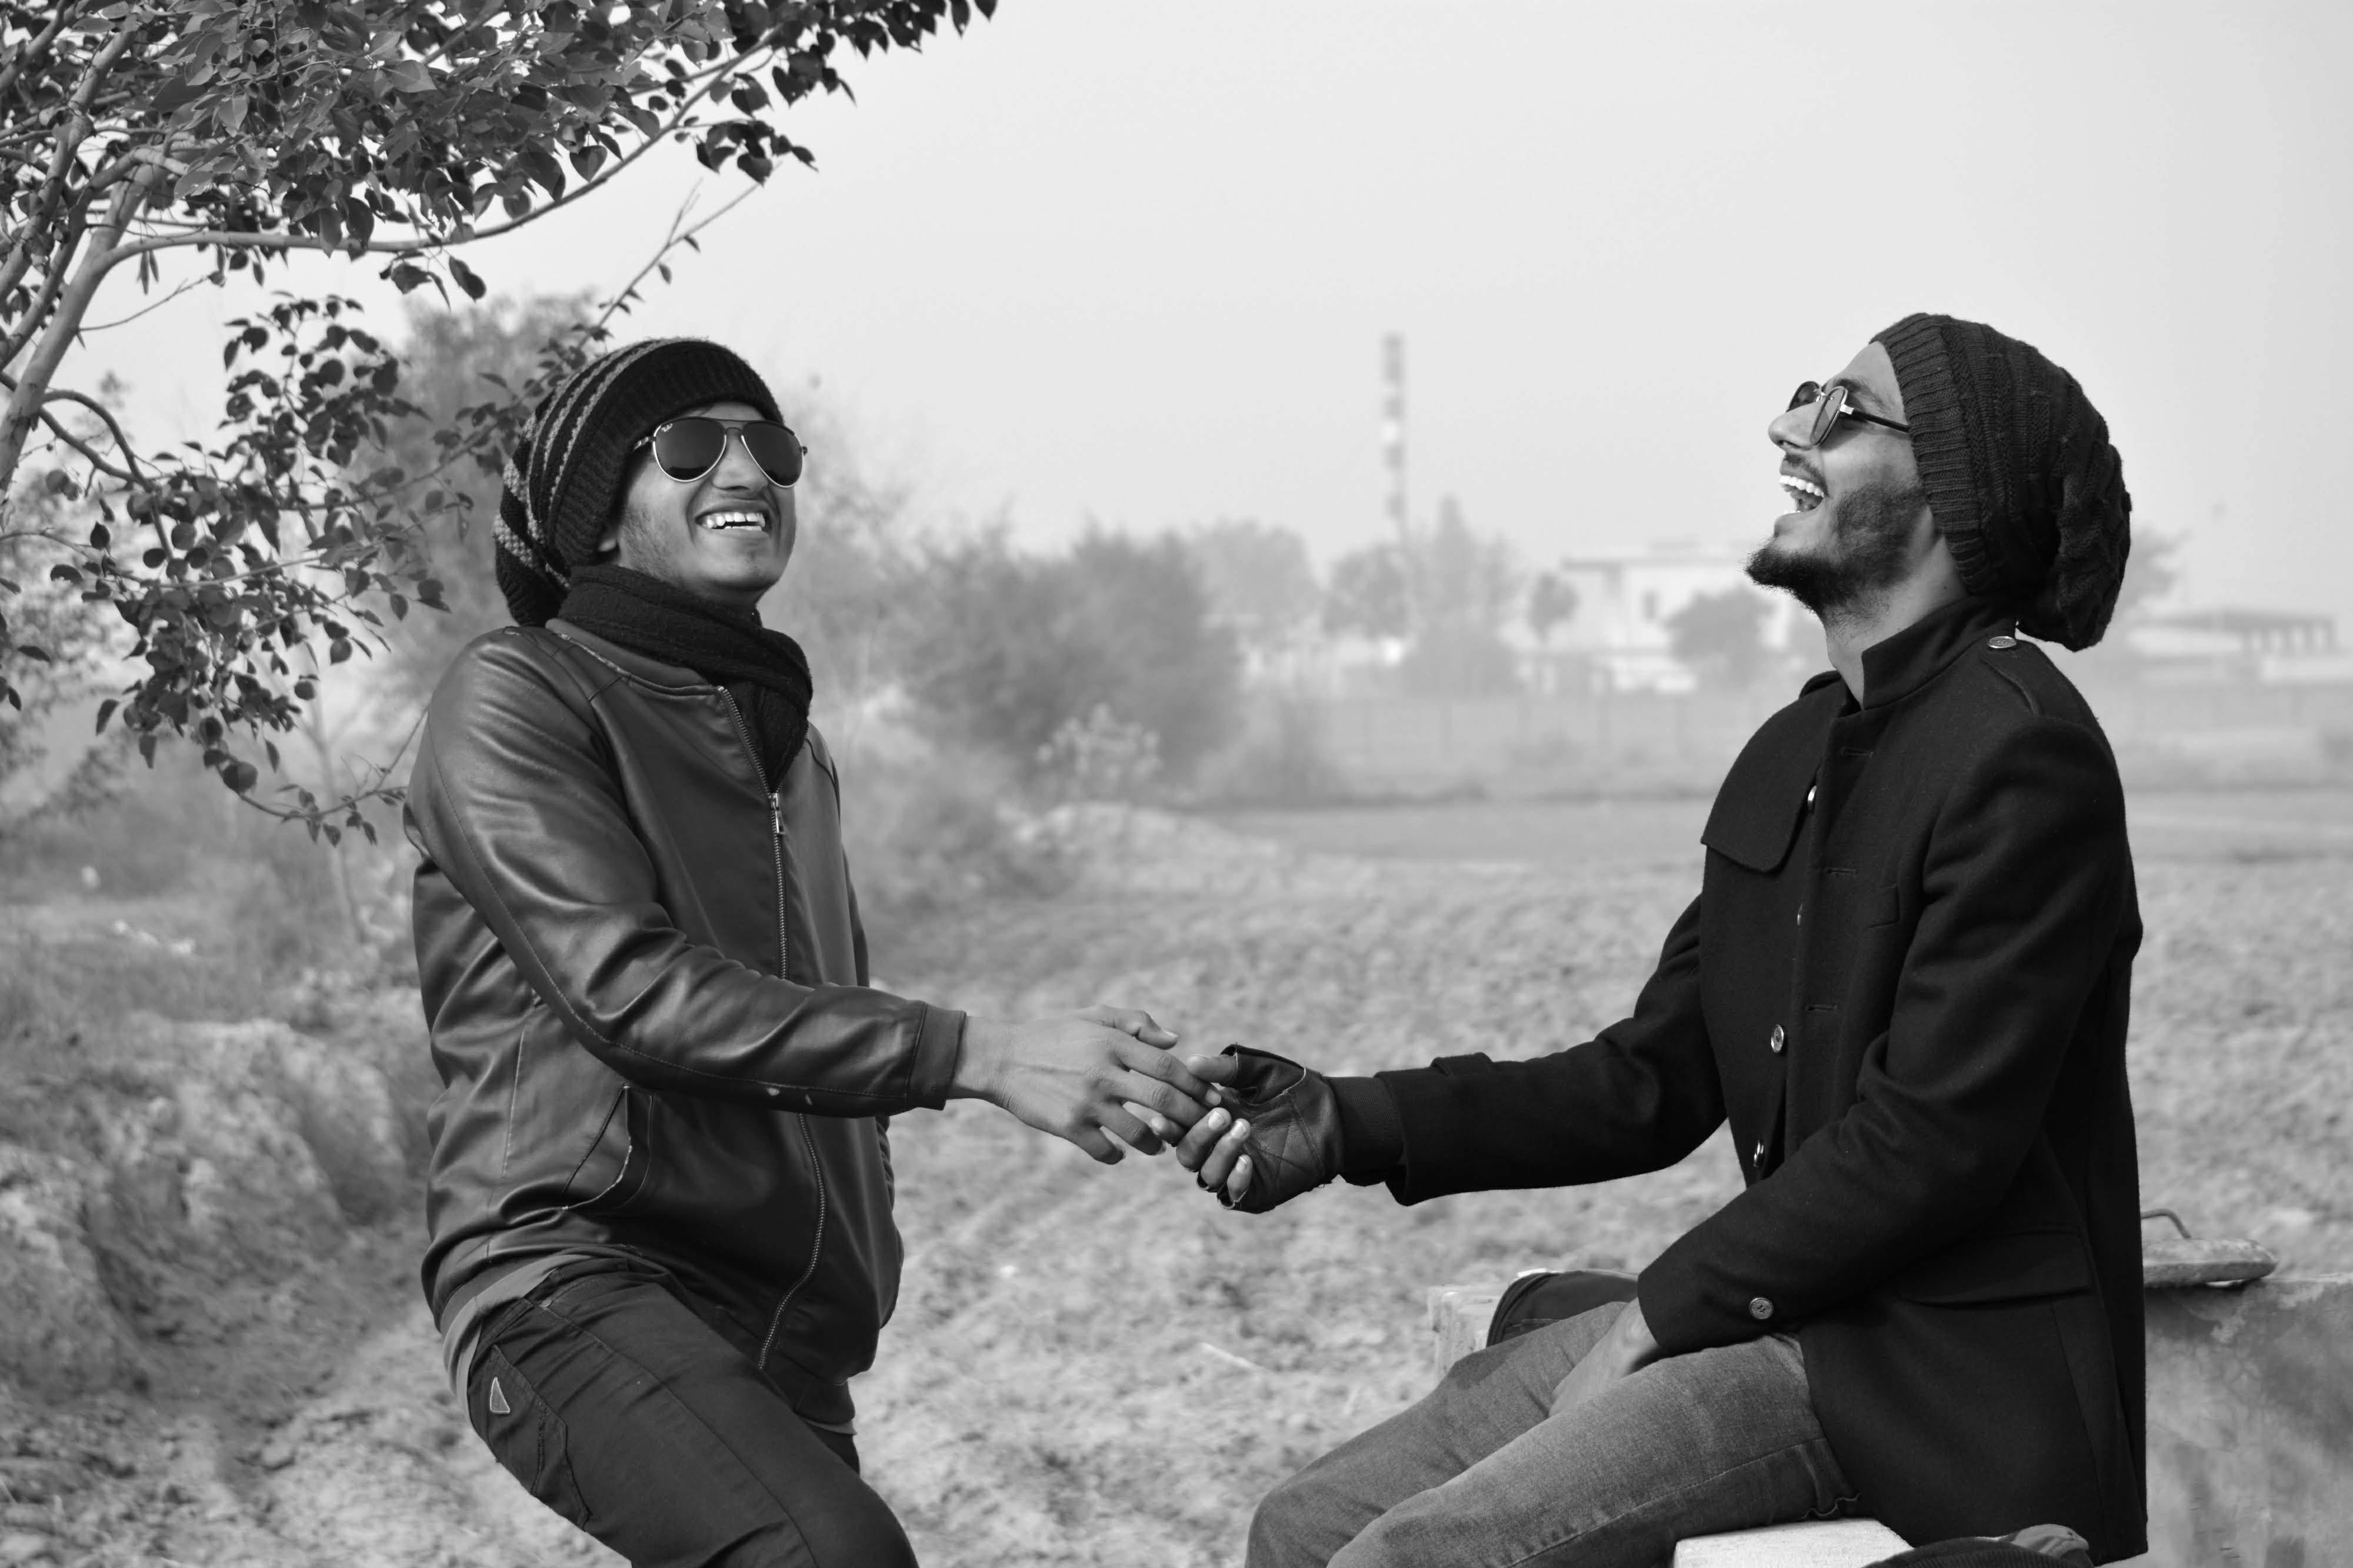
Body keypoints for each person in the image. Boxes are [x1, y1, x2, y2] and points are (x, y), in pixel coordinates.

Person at [1178, 315, 2146, 1566]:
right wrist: (1343, 1120)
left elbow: (1929, 1141)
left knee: (1407, 1559)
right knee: (1305, 1525)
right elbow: (1649, 1076)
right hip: (1772, 1320)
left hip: (1921, 1380)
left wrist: (1651, 1319)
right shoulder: (1793, 751)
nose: (1787, 430)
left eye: (1840, 412)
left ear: (1952, 492)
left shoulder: (2023, 753)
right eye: (1804, 396)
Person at [405, 339, 1215, 1568]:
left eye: (769, 445)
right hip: (575, 1273)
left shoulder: (791, 749)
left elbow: (804, 1010)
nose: (745, 466)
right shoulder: (521, 696)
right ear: (602, 519)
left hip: (784, 1331)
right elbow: (633, 994)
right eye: (689, 445)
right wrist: (977, 1054)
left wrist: (1125, 1073)